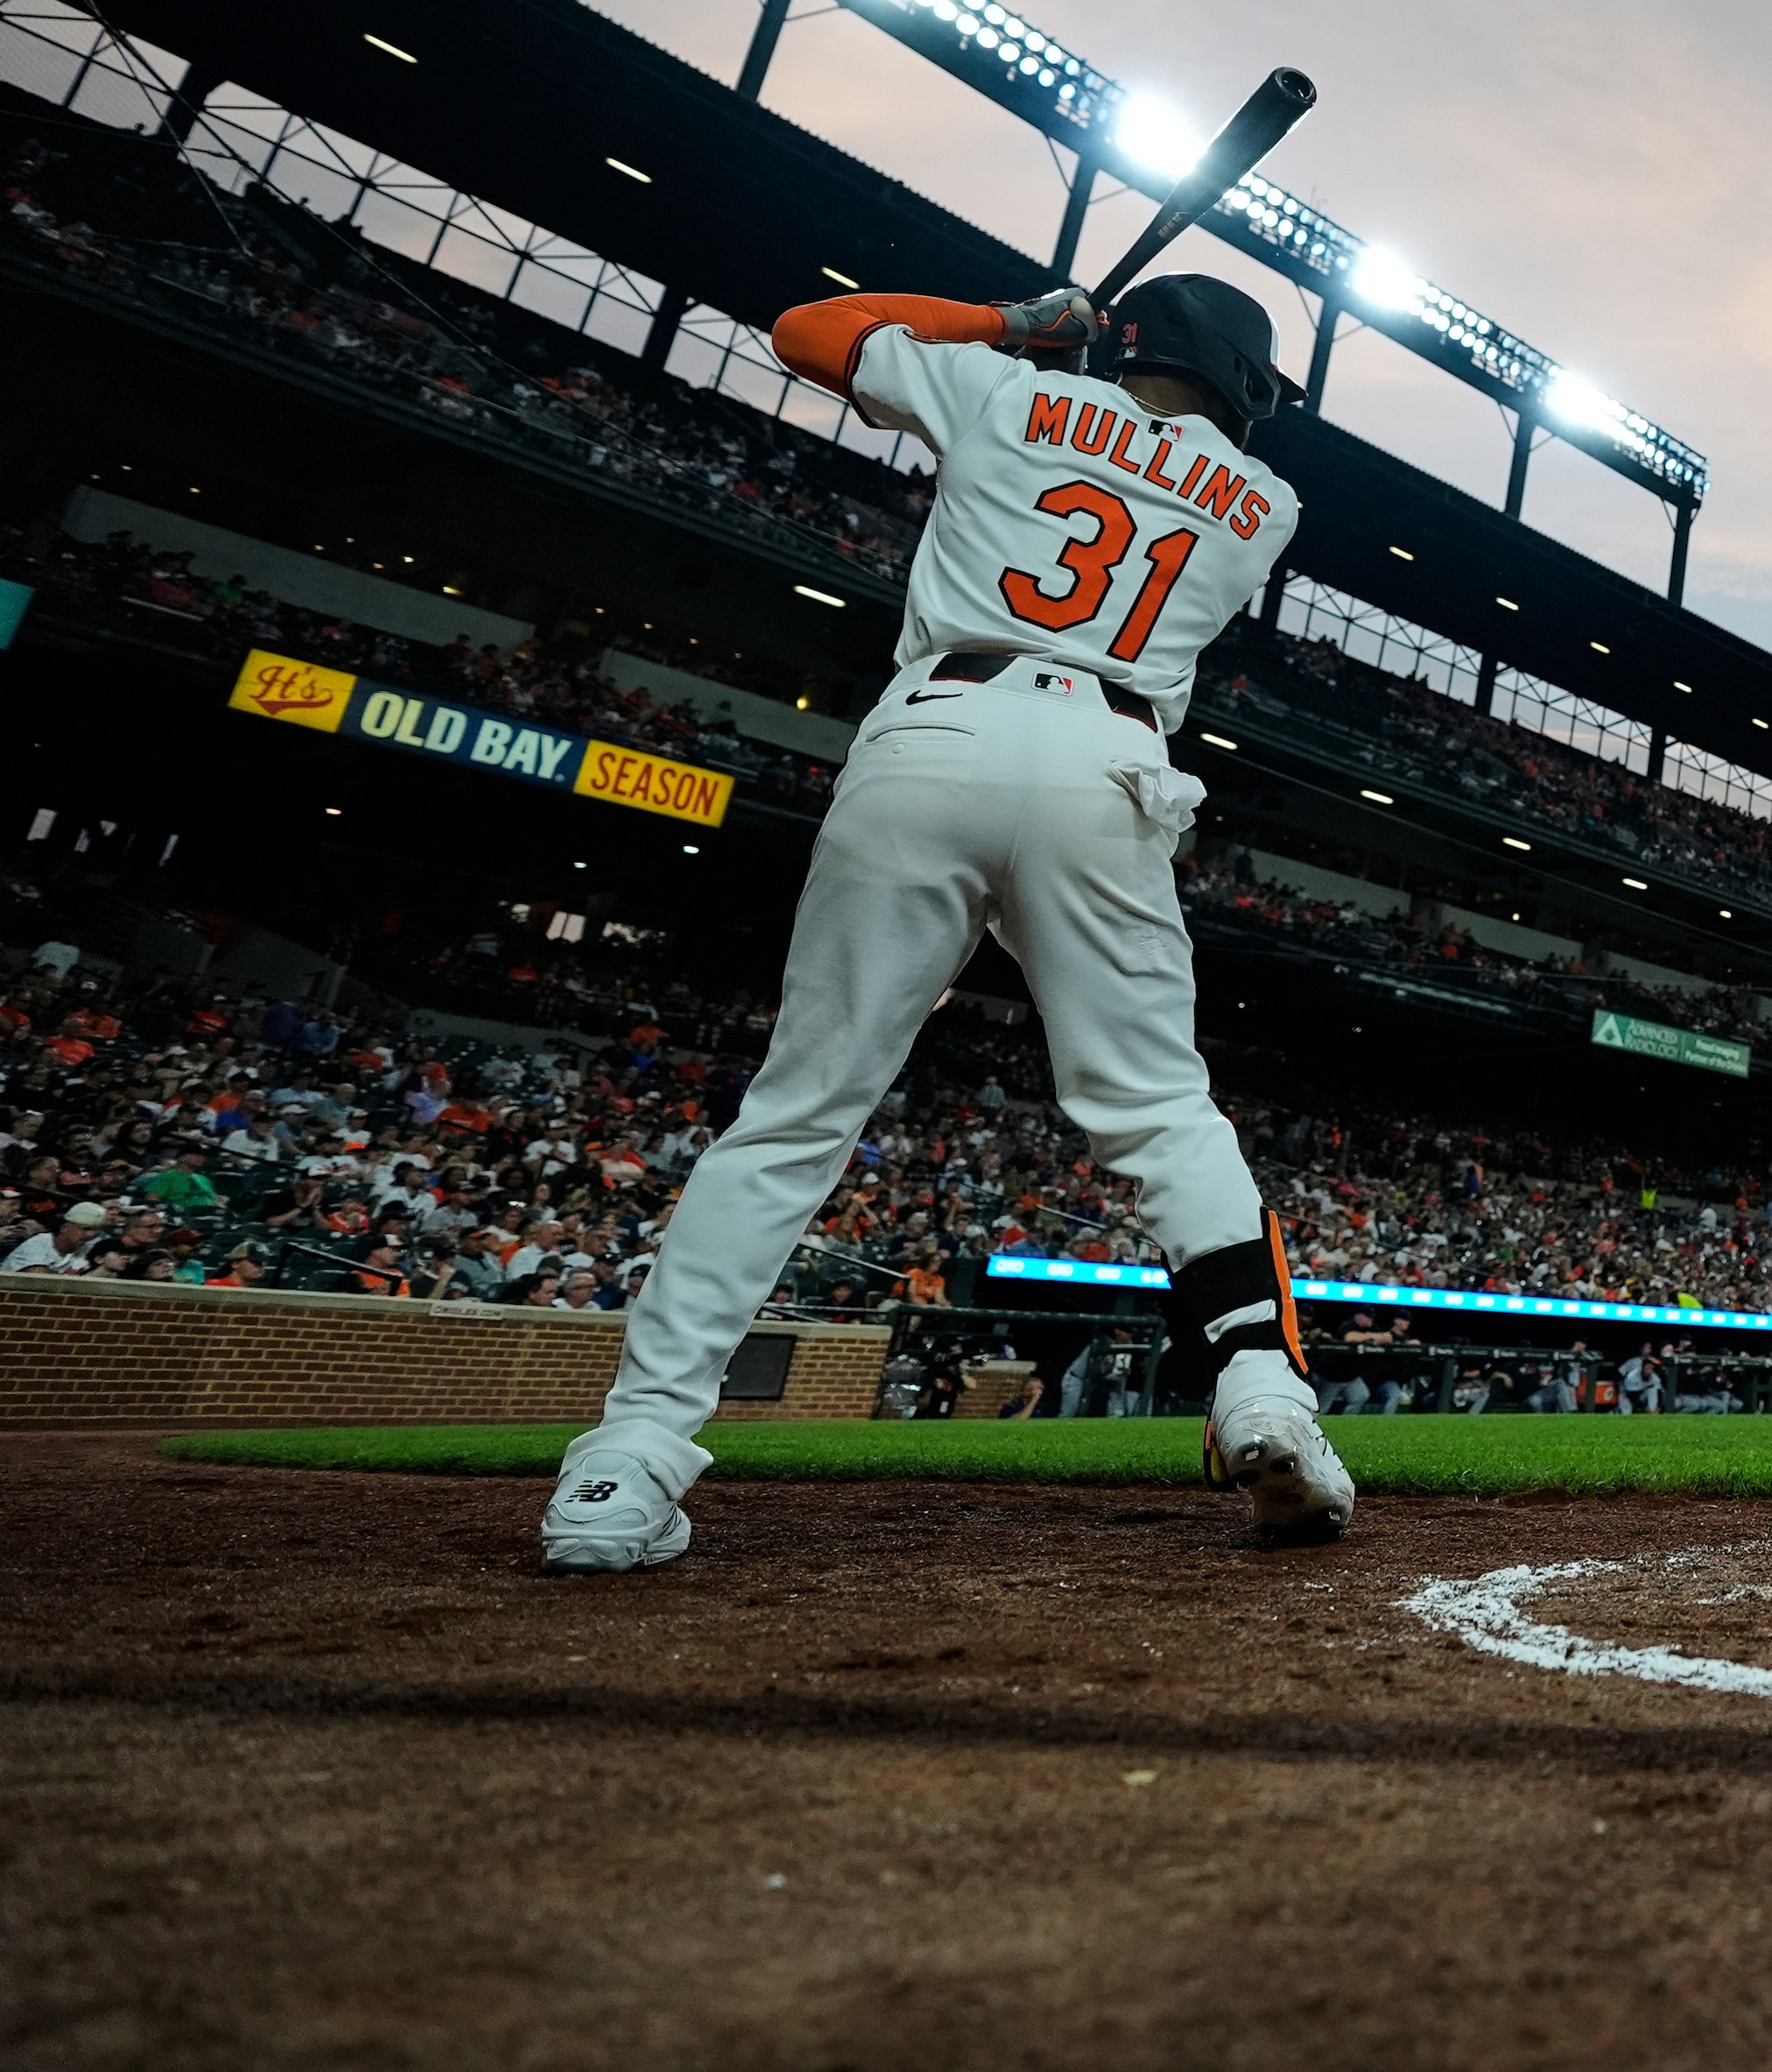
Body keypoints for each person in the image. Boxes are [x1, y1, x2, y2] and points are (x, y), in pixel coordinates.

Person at [543, 274, 1352, 1574]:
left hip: (934, 733)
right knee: (1158, 1109)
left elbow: (801, 326)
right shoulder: (1266, 504)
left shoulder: (1006, 389)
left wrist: (1001, 322)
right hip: (1112, 766)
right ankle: (1262, 1394)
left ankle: (627, 1459)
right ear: (1243, 384)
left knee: (800, 1109)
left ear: (1112, 344)